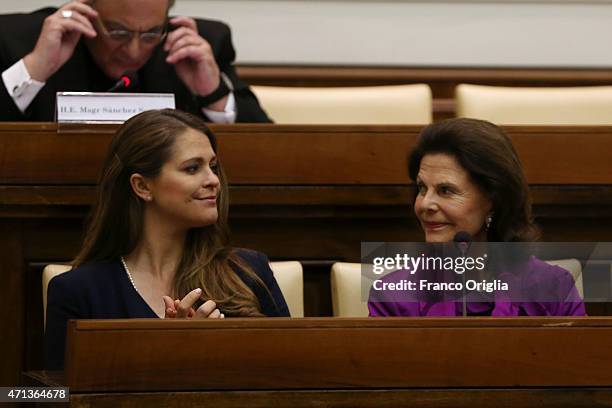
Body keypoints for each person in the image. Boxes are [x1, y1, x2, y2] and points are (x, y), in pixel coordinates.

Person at [45, 109, 288, 370]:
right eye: (192, 168)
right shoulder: (78, 291)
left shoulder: (248, 270)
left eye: (213, 167)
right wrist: (166, 352)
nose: (214, 180)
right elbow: (53, 396)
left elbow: (295, 379)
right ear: (142, 186)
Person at [368, 118, 586, 317]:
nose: (425, 204)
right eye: (422, 188)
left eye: (446, 190)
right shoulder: (393, 297)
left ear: (493, 199)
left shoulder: (553, 287)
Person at [0, 0, 270, 123]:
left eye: (152, 33)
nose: (133, 50)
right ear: (87, 10)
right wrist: (35, 69)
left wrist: (212, 95)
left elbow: (269, 150)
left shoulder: (194, 45)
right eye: (118, 32)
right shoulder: (21, 40)